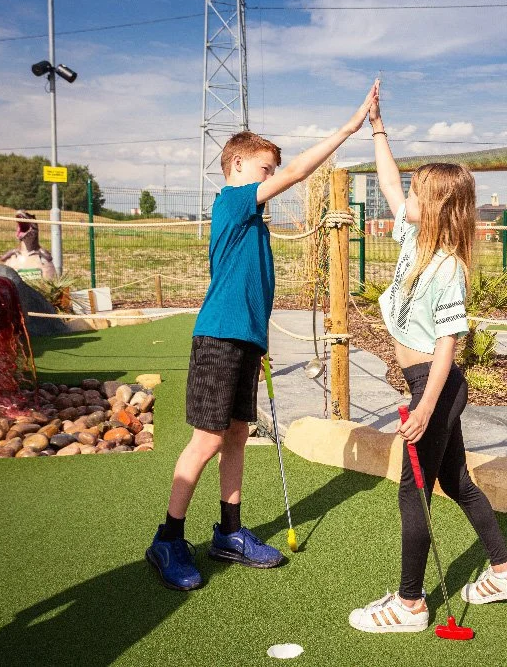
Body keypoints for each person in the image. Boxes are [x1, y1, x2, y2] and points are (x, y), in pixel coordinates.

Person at [145, 82, 378, 591]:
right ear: (237, 166)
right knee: (207, 439)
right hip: (218, 337)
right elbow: (298, 173)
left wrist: (259, 343)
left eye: (273, 170)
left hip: (244, 340)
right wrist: (347, 129)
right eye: (265, 169)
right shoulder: (232, 202)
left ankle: (229, 532)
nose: (273, 177)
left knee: (235, 435)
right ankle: (168, 539)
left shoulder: (253, 220)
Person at [348, 90, 507, 633]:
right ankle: (506, 571)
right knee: (455, 480)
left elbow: (450, 343)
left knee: (414, 490)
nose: (403, 194)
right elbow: (387, 184)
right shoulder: (412, 237)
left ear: (434, 207)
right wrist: (378, 127)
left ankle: (410, 605)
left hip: (436, 384)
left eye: (415, 192)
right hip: (428, 383)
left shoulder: (448, 267)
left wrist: (425, 407)